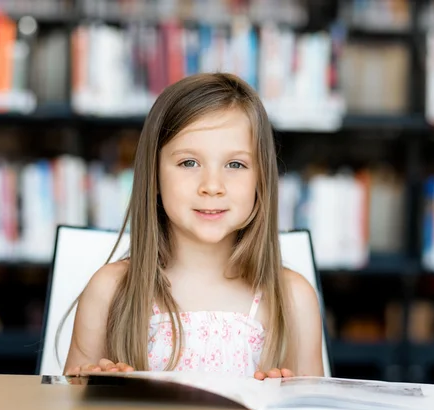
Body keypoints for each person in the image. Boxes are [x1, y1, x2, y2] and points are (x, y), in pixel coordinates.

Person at [62, 72, 323, 381]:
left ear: (261, 180)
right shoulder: (110, 289)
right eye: (189, 163)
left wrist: (288, 403)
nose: (212, 186)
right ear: (154, 176)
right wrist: (91, 386)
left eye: (235, 165)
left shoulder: (293, 298)